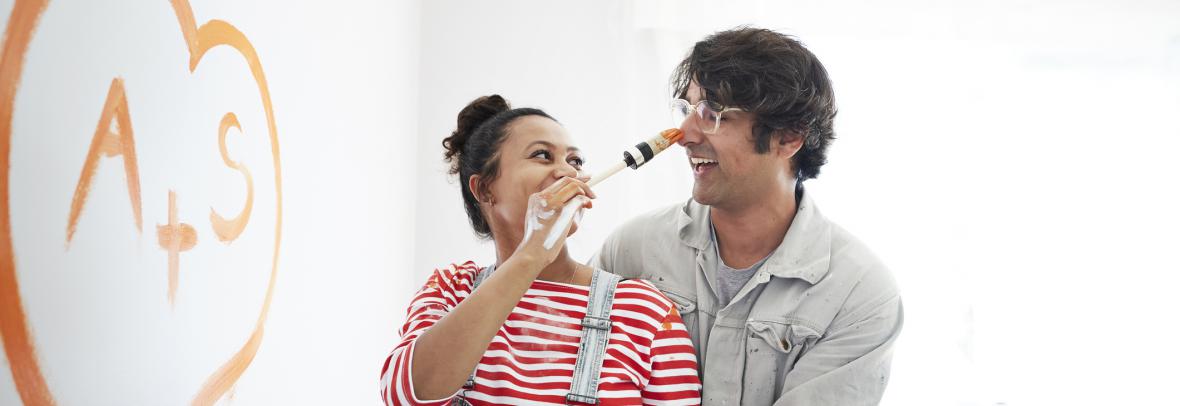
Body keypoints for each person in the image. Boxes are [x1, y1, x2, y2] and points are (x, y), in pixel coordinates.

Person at [592, 27, 903, 405]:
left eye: (711, 114)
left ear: (788, 138)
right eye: (686, 109)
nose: (683, 134)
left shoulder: (858, 293)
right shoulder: (631, 249)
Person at [380, 95, 702, 405]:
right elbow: (406, 394)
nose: (567, 171)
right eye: (542, 156)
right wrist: (532, 254)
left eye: (574, 160)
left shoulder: (644, 310)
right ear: (485, 189)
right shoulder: (453, 290)